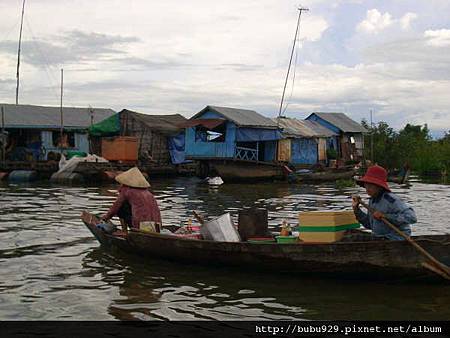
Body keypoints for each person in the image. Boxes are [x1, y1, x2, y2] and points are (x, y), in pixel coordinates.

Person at [352, 165, 417, 240]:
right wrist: (356, 210)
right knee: (351, 235)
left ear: (379, 186)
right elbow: (369, 225)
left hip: (395, 239)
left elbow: (412, 218)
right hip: (380, 238)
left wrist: (385, 216)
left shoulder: (391, 200)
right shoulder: (372, 200)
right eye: (366, 185)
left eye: (371, 185)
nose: (367, 188)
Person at [101, 167, 161, 233]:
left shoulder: (126, 190)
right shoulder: (148, 192)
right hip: (157, 226)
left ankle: (124, 232)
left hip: (140, 226)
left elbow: (115, 207)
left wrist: (106, 217)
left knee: (121, 208)